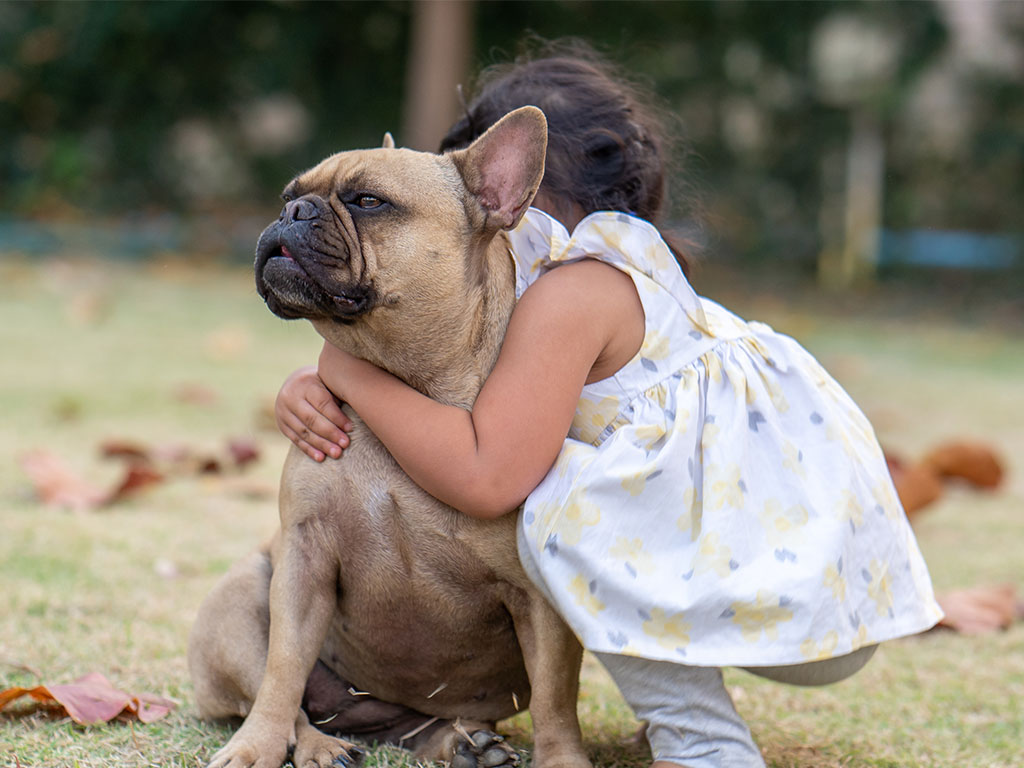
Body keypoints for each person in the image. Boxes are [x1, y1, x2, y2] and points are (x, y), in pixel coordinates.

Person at [275, 42, 943, 768]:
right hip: (815, 582)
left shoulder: (573, 292)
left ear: (512, 189)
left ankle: (703, 744)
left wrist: (345, 367)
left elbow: (486, 476)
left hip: (768, 588)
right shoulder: (642, 268)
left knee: (560, 518)